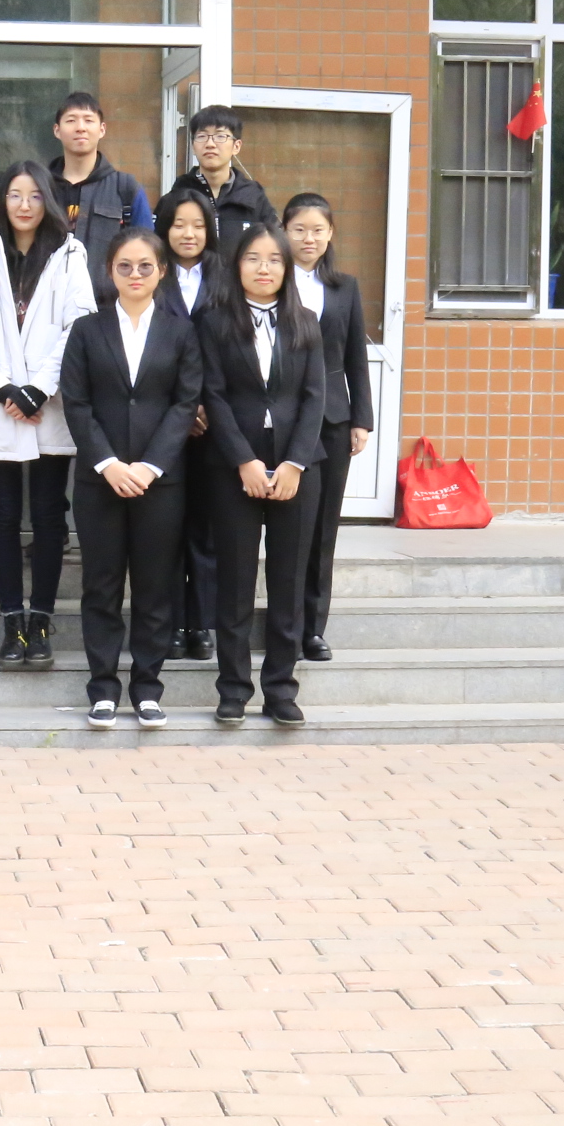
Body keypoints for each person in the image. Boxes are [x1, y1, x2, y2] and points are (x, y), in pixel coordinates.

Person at [0, 161, 95, 669]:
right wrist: (3, 389)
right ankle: (12, 623)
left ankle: (42, 621)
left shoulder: (70, 255)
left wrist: (39, 389)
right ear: (2, 201)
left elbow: (79, 326)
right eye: (14, 195)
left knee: (50, 516)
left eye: (35, 195)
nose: (25, 205)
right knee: (3, 516)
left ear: (48, 200)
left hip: (48, 404)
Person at [60, 227, 201, 732]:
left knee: (154, 586)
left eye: (145, 266)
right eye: (125, 266)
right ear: (110, 272)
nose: (135, 274)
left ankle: (147, 689)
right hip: (100, 481)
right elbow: (76, 403)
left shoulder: (181, 332)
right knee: (100, 585)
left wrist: (149, 465)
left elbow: (185, 403)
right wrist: (108, 463)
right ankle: (102, 689)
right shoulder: (87, 330)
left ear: (162, 271)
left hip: (160, 482)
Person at [200, 221, 327, 728]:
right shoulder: (214, 322)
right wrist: (244, 461)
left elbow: (315, 398)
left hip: (297, 466)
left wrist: (295, 462)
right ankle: (233, 689)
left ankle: (281, 690)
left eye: (274, 259)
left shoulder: (307, 322)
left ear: (287, 267)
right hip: (235, 466)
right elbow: (213, 395)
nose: (264, 267)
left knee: (288, 582)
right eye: (253, 258)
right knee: (235, 581)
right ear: (237, 265)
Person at [283, 192, 376, 663]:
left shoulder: (344, 287)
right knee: (292, 526)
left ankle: (313, 629)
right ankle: (285, 623)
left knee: (323, 528)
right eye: (299, 229)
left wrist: (362, 418)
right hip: (284, 418)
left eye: (317, 230)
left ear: (331, 234)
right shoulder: (271, 282)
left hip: (333, 419)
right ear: (284, 232)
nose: (309, 238)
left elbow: (356, 354)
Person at [157, 191, 221, 662]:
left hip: (215, 422)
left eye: (198, 224)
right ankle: (172, 622)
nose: (188, 233)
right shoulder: (151, 273)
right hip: (163, 419)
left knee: (207, 525)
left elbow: (234, 346)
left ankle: (202, 622)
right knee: (168, 527)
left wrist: (205, 404)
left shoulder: (226, 276)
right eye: (179, 223)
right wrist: (183, 405)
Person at [45, 91, 154, 303]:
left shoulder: (125, 188)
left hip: (107, 307)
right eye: (71, 120)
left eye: (88, 120)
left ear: (102, 129)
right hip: (46, 307)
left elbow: (148, 252)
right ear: (57, 130)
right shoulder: (40, 187)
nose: (80, 127)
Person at [161, 105, 275, 250]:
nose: (210, 144)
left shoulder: (254, 197)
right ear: (193, 146)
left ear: (236, 146)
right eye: (202, 136)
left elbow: (274, 246)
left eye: (220, 136)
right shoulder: (177, 196)